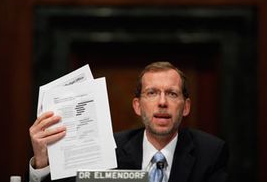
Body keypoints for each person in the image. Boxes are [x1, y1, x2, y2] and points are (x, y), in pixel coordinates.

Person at [28, 61, 229, 182]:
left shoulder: (210, 152)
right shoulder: (109, 151)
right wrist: (43, 161)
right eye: (151, 93)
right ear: (137, 106)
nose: (162, 102)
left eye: (172, 93)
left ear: (185, 107)